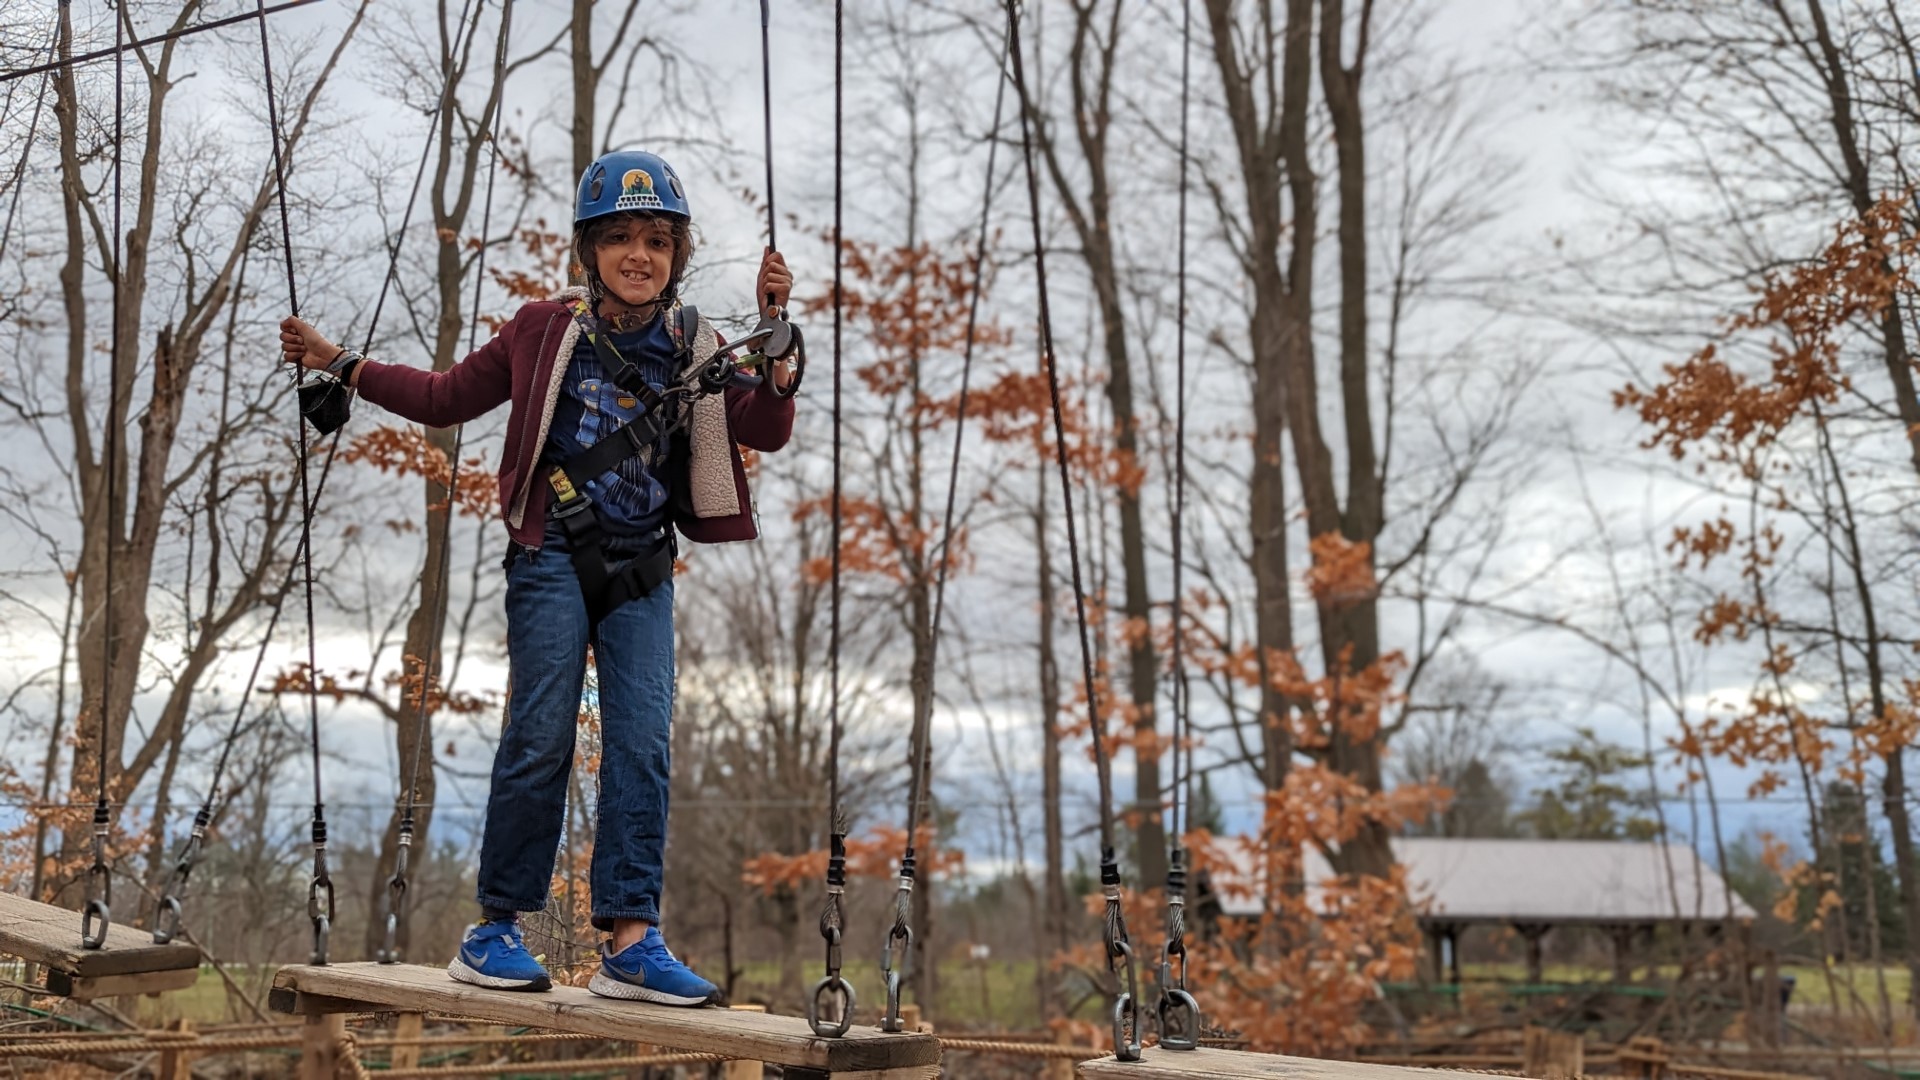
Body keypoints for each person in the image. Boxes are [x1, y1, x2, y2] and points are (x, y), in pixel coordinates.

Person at [279, 149, 795, 1006]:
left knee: (644, 742)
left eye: (659, 241)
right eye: (622, 237)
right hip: (552, 552)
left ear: (678, 256)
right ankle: (495, 930)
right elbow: (445, 397)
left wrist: (779, 354)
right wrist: (344, 364)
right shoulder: (541, 330)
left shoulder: (697, 345)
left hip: (642, 568)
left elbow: (765, 428)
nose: (640, 255)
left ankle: (631, 941)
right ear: (590, 249)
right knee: (541, 733)